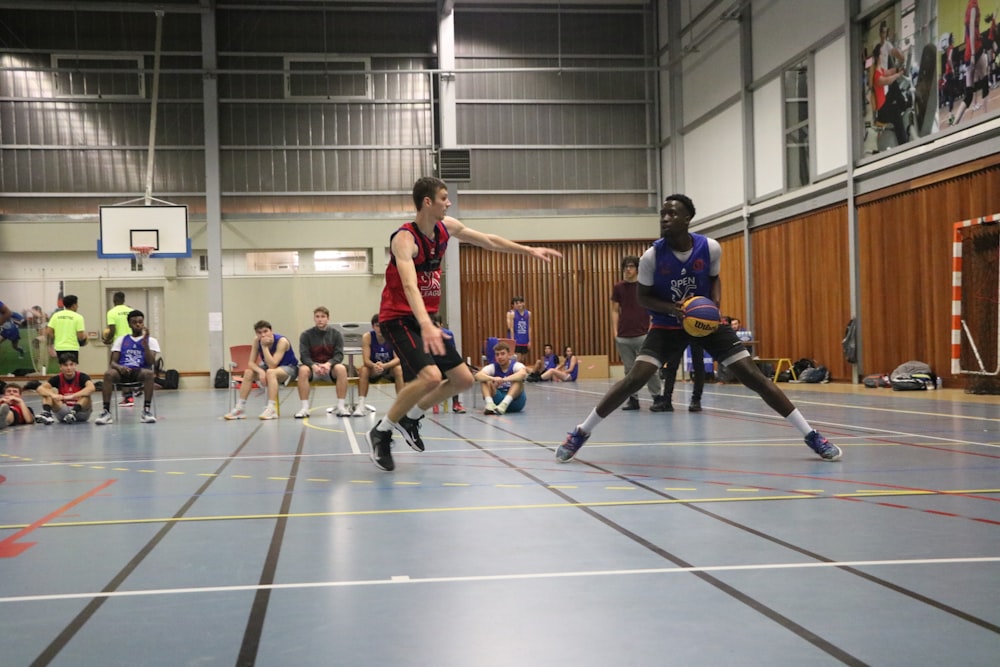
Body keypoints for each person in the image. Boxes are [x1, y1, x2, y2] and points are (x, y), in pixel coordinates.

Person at [556, 194, 841, 463]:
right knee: (635, 378)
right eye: (662, 214)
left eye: (672, 213)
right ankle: (581, 432)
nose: (665, 218)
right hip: (667, 325)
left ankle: (811, 435)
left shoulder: (710, 248)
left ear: (688, 218)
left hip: (706, 323)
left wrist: (714, 306)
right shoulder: (651, 257)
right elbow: (643, 297)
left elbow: (715, 279)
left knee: (753, 377)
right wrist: (673, 310)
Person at [366, 176, 562, 472]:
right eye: (444, 197)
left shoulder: (446, 228)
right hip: (398, 318)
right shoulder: (404, 239)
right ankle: (381, 431)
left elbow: (488, 241)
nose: (449, 202)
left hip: (425, 319)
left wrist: (529, 250)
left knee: (464, 379)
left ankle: (411, 417)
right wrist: (427, 324)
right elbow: (409, 285)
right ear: (428, 202)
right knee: (431, 376)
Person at [612, 255, 665, 411]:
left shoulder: (644, 286)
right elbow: (615, 310)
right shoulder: (618, 288)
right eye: (625, 267)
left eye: (631, 266)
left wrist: (651, 327)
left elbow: (653, 308)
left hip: (643, 333)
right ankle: (633, 399)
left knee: (650, 368)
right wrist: (615, 331)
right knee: (629, 370)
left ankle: (657, 397)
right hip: (623, 335)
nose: (628, 269)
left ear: (637, 269)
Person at [94, 309, 159, 425]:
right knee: (108, 374)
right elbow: (113, 362)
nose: (138, 324)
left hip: (139, 372)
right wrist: (120, 368)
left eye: (140, 322)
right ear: (129, 324)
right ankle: (106, 412)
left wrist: (146, 346)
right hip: (122, 371)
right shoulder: (121, 340)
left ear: (143, 323)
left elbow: (151, 362)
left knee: (149, 374)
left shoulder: (151, 341)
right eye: (134, 322)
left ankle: (146, 411)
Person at [225, 320, 299, 420]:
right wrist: (260, 372)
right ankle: (240, 408)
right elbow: (251, 363)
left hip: (289, 368)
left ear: (271, 331)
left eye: (265, 331)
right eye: (259, 333)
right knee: (248, 373)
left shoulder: (282, 341)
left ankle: (271, 409)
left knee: (270, 372)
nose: (263, 335)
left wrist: (264, 347)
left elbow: (273, 365)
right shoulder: (257, 340)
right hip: (268, 367)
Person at [294, 306, 351, 418]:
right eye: (317, 317)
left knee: (341, 369)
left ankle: (341, 407)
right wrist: (313, 365)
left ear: (328, 319)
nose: (320, 319)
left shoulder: (336, 334)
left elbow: (339, 355)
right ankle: (305, 408)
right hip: (313, 369)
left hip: (330, 369)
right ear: (314, 319)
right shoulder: (306, 335)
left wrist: (329, 364)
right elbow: (304, 356)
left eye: (323, 317)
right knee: (302, 370)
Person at [358, 314, 405, 413]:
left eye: (382, 325)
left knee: (399, 369)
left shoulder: (393, 336)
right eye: (377, 325)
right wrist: (374, 366)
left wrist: (385, 366)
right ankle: (361, 404)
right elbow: (366, 360)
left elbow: (398, 359)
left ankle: (401, 404)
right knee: (363, 370)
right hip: (373, 369)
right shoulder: (367, 337)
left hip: (389, 368)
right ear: (373, 326)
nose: (380, 328)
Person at [34, 353, 96, 424]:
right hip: (63, 412)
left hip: (81, 412)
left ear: (75, 366)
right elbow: (40, 389)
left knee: (87, 395)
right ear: (60, 367)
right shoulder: (57, 378)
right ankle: (46, 414)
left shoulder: (82, 376)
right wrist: (53, 395)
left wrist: (72, 396)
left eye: (71, 364)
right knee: (47, 391)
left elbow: (91, 388)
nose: (69, 368)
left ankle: (72, 413)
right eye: (65, 365)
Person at [475, 341, 527, 415]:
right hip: (498, 400)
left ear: (509, 354)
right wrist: (492, 378)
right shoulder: (492, 367)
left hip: (516, 401)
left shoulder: (516, 365)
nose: (500, 357)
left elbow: (523, 374)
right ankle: (490, 404)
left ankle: (504, 404)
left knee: (518, 380)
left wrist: (504, 379)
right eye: (497, 354)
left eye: (502, 354)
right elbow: (478, 375)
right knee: (484, 380)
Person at [104, 291, 136, 406]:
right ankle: (130, 394)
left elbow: (112, 330)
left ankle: (127, 397)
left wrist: (107, 339)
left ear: (114, 300)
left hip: (120, 345)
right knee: (131, 368)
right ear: (124, 300)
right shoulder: (131, 310)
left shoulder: (111, 312)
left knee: (119, 370)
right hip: (132, 343)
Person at [431, 314, 466, 414]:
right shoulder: (426, 335)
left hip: (446, 362)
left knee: (457, 377)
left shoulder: (448, 334)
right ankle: (435, 402)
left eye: (437, 326)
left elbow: (453, 350)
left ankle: (456, 404)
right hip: (434, 364)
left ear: (441, 325)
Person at [659, 342, 707, 412]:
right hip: (679, 332)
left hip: (696, 333)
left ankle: (696, 399)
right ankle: (667, 399)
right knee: (672, 364)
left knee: (698, 364)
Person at [44, 294, 87, 363]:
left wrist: (57, 337)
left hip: (59, 347)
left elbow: (48, 331)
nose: (78, 306)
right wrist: (85, 337)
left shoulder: (56, 315)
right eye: (77, 304)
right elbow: (80, 336)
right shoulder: (78, 317)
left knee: (63, 366)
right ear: (73, 305)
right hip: (73, 347)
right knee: (72, 367)